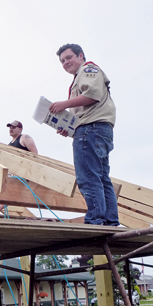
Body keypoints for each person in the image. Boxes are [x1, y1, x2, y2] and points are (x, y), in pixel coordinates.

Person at [49, 44, 119, 226]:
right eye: (62, 61)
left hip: (91, 129)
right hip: (96, 129)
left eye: (69, 57)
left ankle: (96, 220)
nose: (65, 62)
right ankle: (110, 221)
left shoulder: (88, 69)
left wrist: (64, 104)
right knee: (102, 177)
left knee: (88, 177)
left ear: (80, 56)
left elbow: (93, 94)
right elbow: (85, 107)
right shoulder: (79, 77)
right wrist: (69, 128)